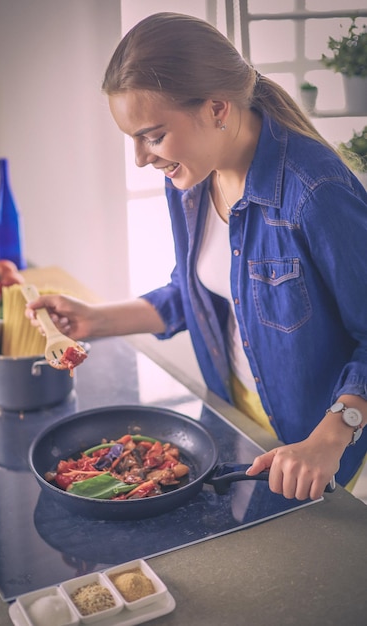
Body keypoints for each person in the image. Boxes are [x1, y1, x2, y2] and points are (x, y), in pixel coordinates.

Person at [26, 12, 367, 501]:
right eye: (133, 139)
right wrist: (93, 320)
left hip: (315, 450)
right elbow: (202, 293)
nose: (142, 158)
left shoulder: (315, 192)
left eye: (153, 135)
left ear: (216, 109)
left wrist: (330, 437)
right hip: (236, 425)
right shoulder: (191, 178)